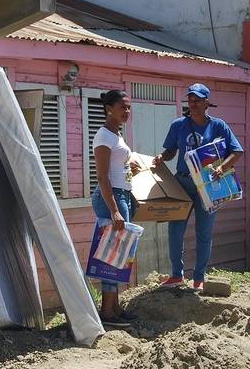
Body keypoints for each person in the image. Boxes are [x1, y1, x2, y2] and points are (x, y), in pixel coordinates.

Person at [153, 83, 243, 291]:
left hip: (208, 186)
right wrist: (161, 157)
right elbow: (170, 151)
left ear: (206, 103)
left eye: (197, 100)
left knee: (204, 232)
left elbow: (237, 151)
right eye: (190, 100)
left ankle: (199, 277)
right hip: (182, 183)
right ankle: (176, 275)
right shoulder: (178, 125)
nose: (192, 104)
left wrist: (222, 167)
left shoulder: (219, 126)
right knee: (175, 229)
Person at [91, 89, 140, 327]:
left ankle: (115, 306)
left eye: (129, 107)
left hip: (122, 195)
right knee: (111, 255)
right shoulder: (104, 136)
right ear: (109, 108)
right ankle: (107, 312)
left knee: (119, 254)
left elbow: (117, 169)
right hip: (110, 198)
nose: (127, 111)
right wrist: (114, 210)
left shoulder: (117, 135)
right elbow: (102, 177)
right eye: (122, 107)